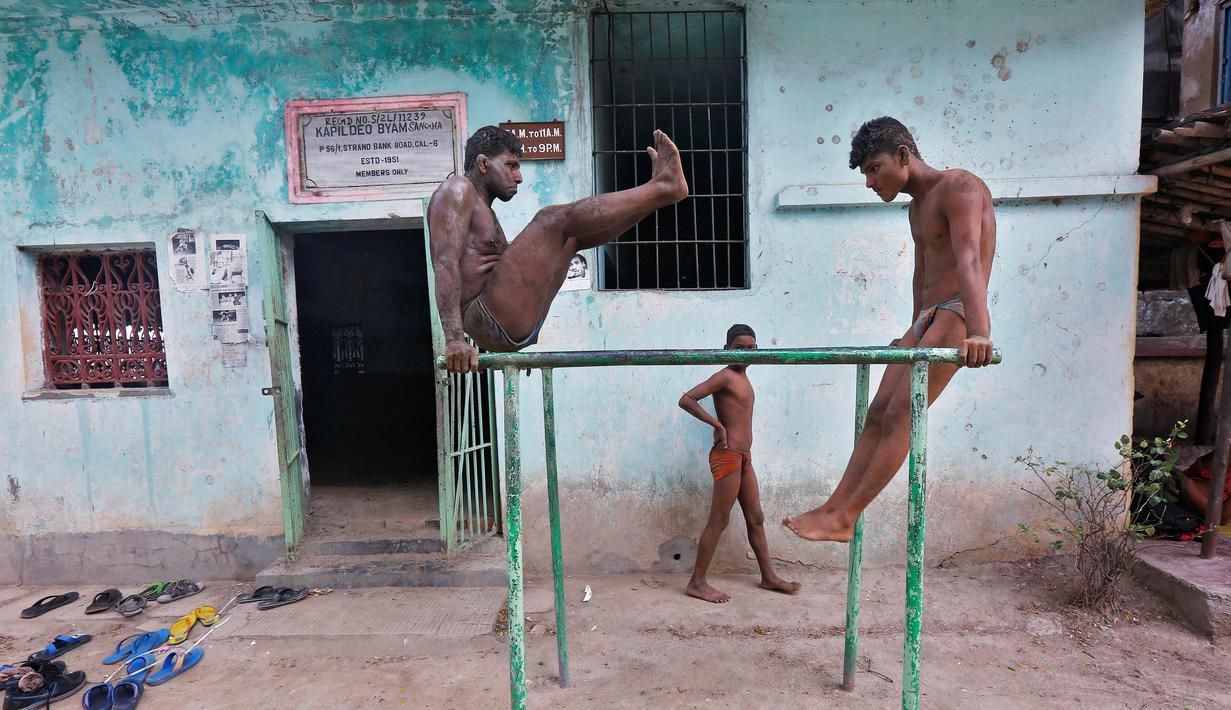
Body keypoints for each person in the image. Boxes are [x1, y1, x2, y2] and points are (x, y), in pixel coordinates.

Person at [783, 116, 997, 542]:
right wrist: (911, 330)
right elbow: (922, 272)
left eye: (873, 168)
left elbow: (969, 259)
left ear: (903, 155)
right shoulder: (917, 206)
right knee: (878, 413)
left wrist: (980, 330)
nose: (869, 182)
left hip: (957, 315)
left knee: (902, 415)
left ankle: (847, 515)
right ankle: (833, 508)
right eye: (865, 173)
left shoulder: (961, 187)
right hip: (928, 317)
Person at [428, 126, 688, 372]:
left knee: (573, 239)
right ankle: (662, 188)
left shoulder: (485, 210)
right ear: (483, 164)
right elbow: (444, 263)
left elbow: (510, 272)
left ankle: (658, 196)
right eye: (511, 165)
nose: (518, 177)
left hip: (507, 320)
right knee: (551, 219)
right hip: (486, 315)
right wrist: (454, 340)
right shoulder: (457, 189)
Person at [679, 324, 801, 603]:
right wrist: (717, 424)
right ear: (726, 350)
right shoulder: (724, 376)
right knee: (719, 520)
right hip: (728, 455)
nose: (746, 353)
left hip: (744, 457)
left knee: (755, 517)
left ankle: (768, 577)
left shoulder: (744, 378)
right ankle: (697, 583)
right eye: (739, 348)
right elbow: (686, 399)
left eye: (751, 348)